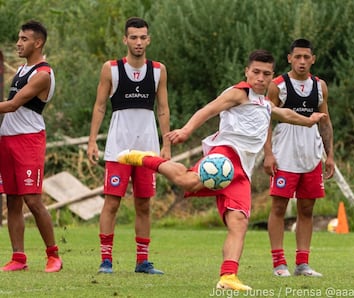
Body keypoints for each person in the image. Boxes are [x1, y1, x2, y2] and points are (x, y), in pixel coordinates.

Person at [117, 50, 327, 290]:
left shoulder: (263, 103)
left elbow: (285, 113)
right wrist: (186, 130)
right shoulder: (238, 93)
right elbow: (209, 110)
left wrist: (309, 120)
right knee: (186, 181)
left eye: (266, 74)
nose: (260, 78)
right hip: (224, 155)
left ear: (272, 77)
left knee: (239, 222)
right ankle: (144, 159)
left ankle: (228, 277)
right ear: (247, 71)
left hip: (242, 171)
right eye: (256, 72)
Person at [87, 17, 170, 274]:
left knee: (144, 204)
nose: (138, 42)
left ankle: (142, 262)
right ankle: (106, 260)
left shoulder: (158, 70)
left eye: (142, 37)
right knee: (111, 202)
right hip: (118, 149)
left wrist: (165, 145)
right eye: (133, 37)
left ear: (149, 40)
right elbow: (100, 106)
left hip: (147, 150)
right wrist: (92, 141)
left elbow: (164, 110)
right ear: (125, 39)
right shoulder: (110, 68)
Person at [263, 39, 334, 277]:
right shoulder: (277, 85)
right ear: (289, 58)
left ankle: (302, 264)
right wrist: (268, 153)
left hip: (311, 156)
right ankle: (278, 263)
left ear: (313, 59)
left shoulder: (319, 86)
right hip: (284, 156)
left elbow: (325, 122)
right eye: (298, 57)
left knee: (306, 208)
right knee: (279, 207)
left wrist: (330, 155)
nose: (302, 61)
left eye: (306, 57)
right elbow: (266, 121)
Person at [0, 20, 62, 272]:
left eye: (24, 39)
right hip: (7, 138)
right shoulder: (22, 69)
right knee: (12, 200)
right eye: (18, 38)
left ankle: (54, 256)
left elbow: (13, 104)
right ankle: (18, 258)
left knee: (32, 200)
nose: (18, 43)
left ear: (38, 43)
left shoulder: (43, 74)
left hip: (29, 140)